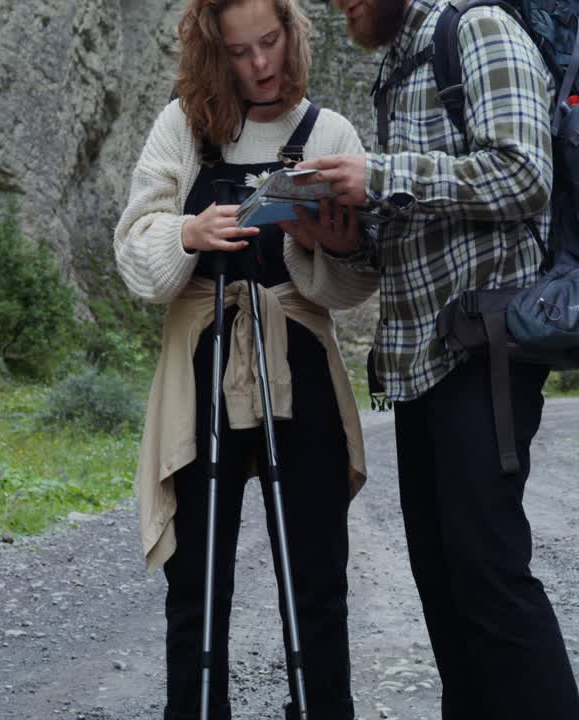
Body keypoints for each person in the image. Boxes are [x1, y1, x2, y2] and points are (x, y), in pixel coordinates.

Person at [295, 0, 579, 716]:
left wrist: (382, 174)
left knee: (489, 582)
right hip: (423, 363)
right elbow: (425, 225)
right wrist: (343, 238)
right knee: (447, 588)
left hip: (485, 351)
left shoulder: (477, 25)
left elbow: (524, 172)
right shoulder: (402, 62)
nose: (340, 5)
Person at [111, 0, 378, 715]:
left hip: (300, 357)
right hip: (204, 355)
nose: (259, 65)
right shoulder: (183, 128)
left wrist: (326, 242)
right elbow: (135, 254)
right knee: (197, 579)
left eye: (269, 43)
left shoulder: (330, 132)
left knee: (316, 573)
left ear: (293, 34)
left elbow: (352, 286)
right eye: (238, 52)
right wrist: (188, 234)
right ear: (211, 52)